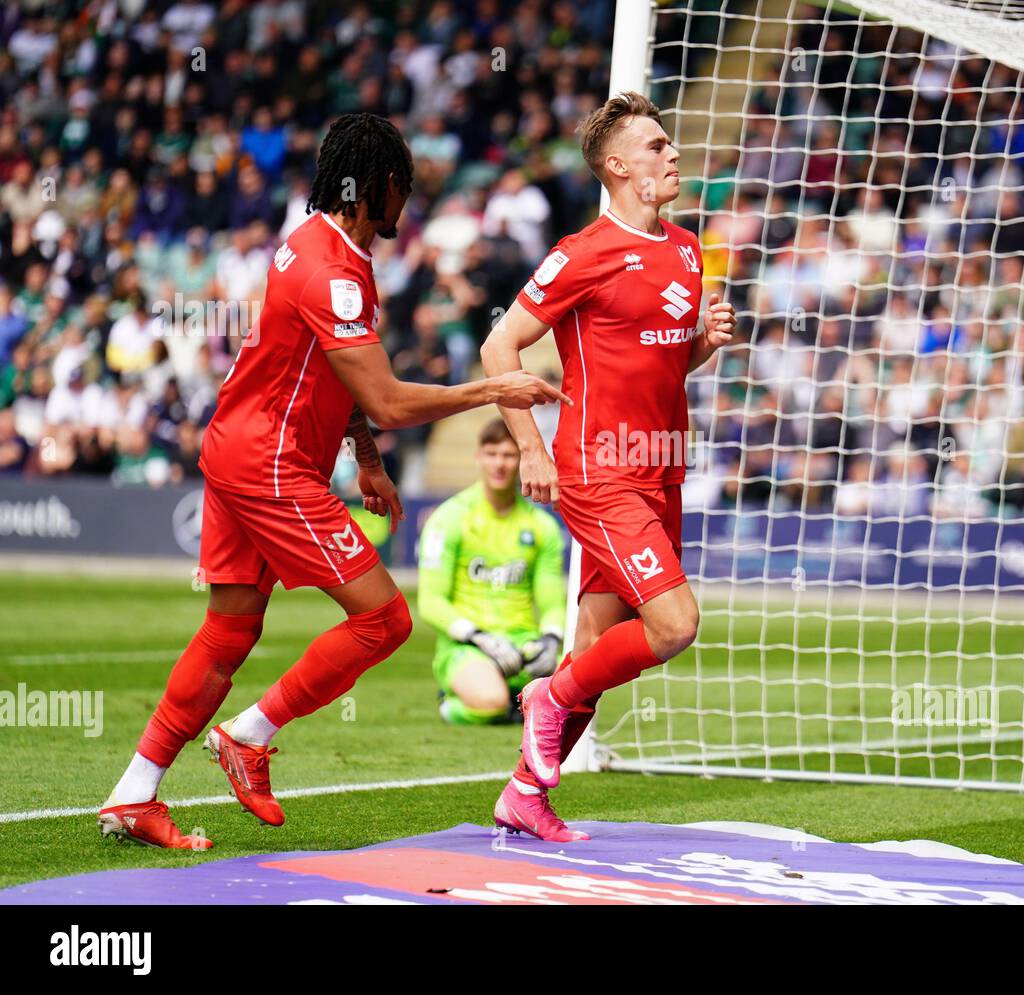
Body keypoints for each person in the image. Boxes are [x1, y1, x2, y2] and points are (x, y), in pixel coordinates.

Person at [98, 113, 567, 849]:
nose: (405, 207)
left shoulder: (317, 247)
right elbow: (385, 397)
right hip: (272, 463)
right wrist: (493, 389)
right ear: (378, 186)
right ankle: (247, 736)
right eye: (402, 191)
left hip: (235, 448)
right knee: (385, 621)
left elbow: (334, 380)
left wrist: (368, 460)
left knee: (228, 628)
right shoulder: (335, 274)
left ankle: (134, 792)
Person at [480, 91, 737, 841]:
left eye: (670, 144)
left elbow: (659, 368)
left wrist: (703, 347)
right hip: (597, 468)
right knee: (674, 622)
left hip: (661, 468)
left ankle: (525, 791)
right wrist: (530, 443)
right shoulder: (580, 251)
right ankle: (546, 697)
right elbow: (502, 350)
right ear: (619, 166)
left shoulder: (688, 249)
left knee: (599, 644)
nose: (673, 154)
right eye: (657, 146)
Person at [418, 418, 566, 725]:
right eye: (492, 453)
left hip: (523, 647)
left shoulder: (542, 527)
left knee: (579, 696)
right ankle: (456, 705)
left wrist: (551, 641)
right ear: (478, 457)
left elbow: (552, 603)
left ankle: (518, 705)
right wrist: (479, 637)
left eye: (509, 455)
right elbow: (430, 602)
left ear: (522, 460)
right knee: (490, 702)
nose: (499, 464)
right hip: (469, 647)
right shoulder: (449, 518)